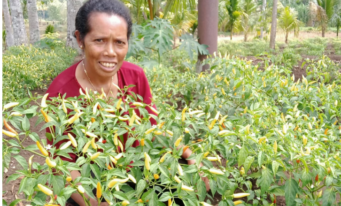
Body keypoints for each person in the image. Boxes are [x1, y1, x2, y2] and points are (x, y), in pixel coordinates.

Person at [46, 0, 210, 205]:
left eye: (119, 42)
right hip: (91, 180)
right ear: (80, 39)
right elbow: (62, 164)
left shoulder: (135, 76)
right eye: (99, 40)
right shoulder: (60, 92)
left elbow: (154, 127)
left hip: (136, 169)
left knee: (186, 175)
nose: (110, 52)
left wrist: (191, 156)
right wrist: (94, 203)